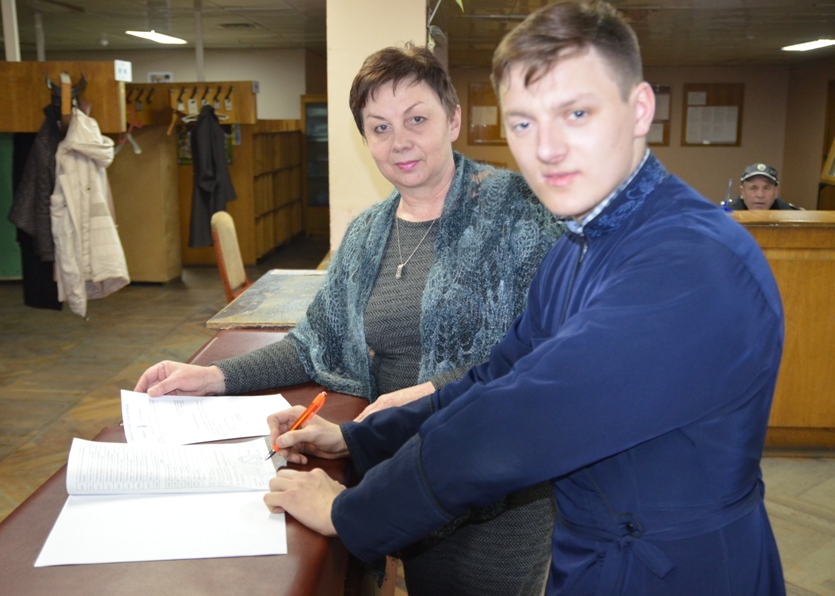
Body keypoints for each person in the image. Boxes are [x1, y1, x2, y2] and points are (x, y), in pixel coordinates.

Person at [264, 2, 787, 595]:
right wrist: (358, 439)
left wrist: (349, 512)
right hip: (593, 556)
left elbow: (515, 424)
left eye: (576, 113)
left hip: (681, 570)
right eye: (523, 123)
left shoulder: (691, 260)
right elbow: (494, 379)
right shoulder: (579, 245)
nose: (547, 148)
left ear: (639, 108)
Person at [136, 45, 563, 595]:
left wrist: (426, 394)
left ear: (453, 119)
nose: (399, 140)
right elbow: (317, 342)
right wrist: (213, 376)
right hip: (397, 471)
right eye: (380, 127)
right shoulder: (367, 233)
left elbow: (545, 354)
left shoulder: (520, 211)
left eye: (417, 119)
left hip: (492, 494)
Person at [729, 163, 801, 210]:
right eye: (753, 188)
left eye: (766, 188)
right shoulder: (726, 217)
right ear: (742, 192)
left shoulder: (791, 215)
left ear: (775, 192)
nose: (760, 195)